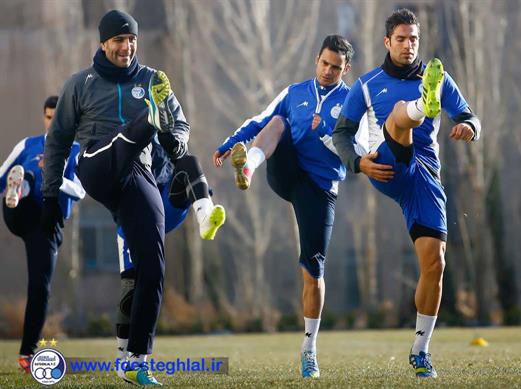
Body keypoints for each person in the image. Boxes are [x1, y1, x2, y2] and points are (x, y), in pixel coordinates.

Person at [42, 9, 224, 386]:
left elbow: (182, 128)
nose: (126, 47)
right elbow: (58, 141)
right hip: (97, 164)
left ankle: (136, 360)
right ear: (103, 43)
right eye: (119, 41)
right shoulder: (82, 84)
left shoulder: (152, 79)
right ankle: (150, 122)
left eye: (131, 40)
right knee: (132, 133)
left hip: (137, 175)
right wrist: (49, 198)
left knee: (153, 266)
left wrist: (175, 137)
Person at [332, 9, 481, 378]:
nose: (408, 44)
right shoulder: (366, 84)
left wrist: (467, 129)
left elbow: (470, 117)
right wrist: (357, 164)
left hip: (424, 177)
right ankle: (419, 106)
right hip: (385, 165)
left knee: (435, 263)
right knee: (400, 115)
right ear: (387, 42)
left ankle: (420, 351)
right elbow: (340, 134)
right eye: (401, 38)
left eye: (414, 38)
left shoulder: (441, 78)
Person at [213, 35, 354, 378]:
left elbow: (360, 151)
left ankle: (309, 350)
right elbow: (260, 119)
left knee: (314, 271)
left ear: (345, 68)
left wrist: (329, 138)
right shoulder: (295, 93)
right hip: (287, 171)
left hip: (320, 188)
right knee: (278, 122)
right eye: (324, 63)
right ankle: (248, 167)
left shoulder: (353, 102)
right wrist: (230, 144)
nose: (328, 71)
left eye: (336, 67)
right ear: (316, 59)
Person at [114, 140, 224, 381]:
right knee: (131, 290)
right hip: (133, 217)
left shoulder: (167, 127)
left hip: (163, 206)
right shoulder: (127, 131)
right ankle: (122, 356)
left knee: (189, 162)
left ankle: (205, 214)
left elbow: (182, 165)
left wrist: (200, 192)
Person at [0, 96, 84, 373]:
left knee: (40, 287)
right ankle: (20, 186)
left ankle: (27, 353)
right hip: (20, 212)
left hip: (48, 223)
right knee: (23, 176)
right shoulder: (27, 145)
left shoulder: (75, 151)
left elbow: (80, 191)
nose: (53, 122)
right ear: (44, 117)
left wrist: (56, 177)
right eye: (48, 117)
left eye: (57, 117)